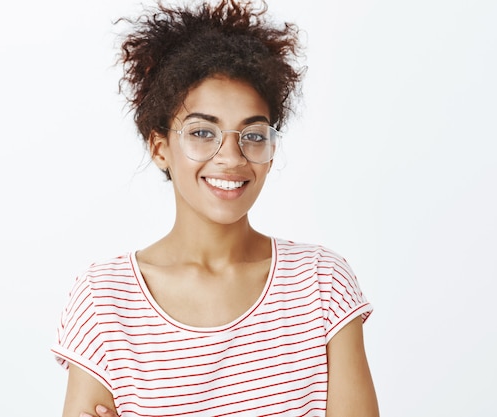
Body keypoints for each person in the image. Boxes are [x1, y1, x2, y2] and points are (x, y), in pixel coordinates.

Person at [52, 0, 379, 416]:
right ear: (159, 147)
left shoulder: (321, 286)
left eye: (253, 135)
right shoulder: (104, 300)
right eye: (203, 132)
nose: (231, 157)